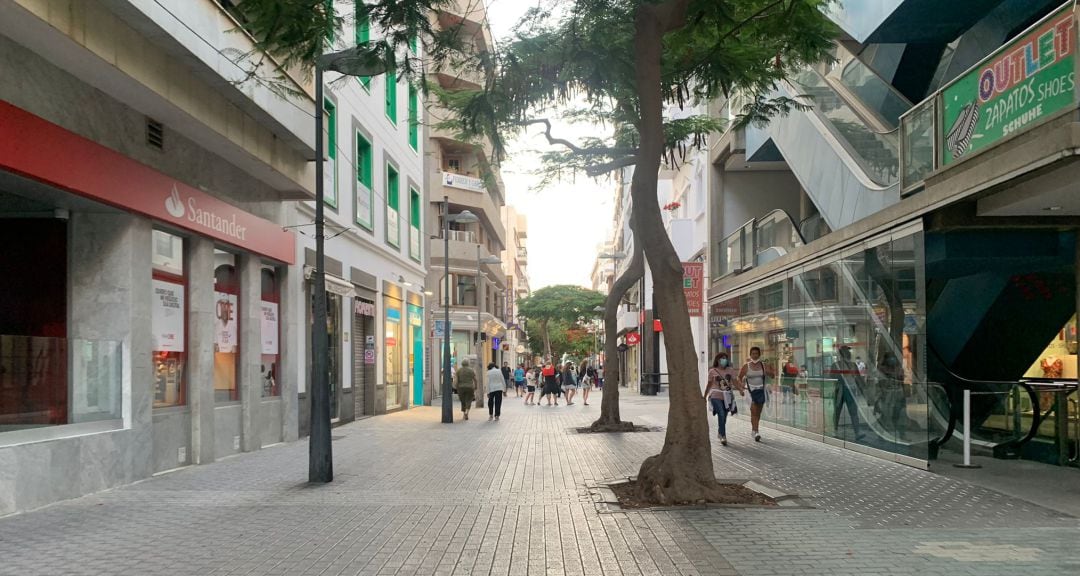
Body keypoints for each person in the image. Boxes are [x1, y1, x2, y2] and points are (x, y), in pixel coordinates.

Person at [704, 352, 742, 445]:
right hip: (715, 395)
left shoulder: (730, 370)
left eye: (725, 358)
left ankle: (720, 432)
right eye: (722, 358)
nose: (724, 360)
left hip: (727, 396)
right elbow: (709, 384)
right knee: (721, 413)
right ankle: (723, 436)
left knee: (724, 416)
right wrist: (705, 395)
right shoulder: (712, 371)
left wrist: (740, 390)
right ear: (717, 360)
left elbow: (735, 382)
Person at [827, 346, 864, 439]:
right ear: (842, 354)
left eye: (848, 351)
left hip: (850, 390)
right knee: (837, 411)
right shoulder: (836, 365)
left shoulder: (853, 365)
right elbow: (832, 378)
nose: (849, 353)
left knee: (853, 411)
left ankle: (857, 432)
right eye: (847, 351)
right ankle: (834, 430)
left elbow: (858, 378)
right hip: (840, 390)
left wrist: (862, 389)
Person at [738, 346, 775, 442]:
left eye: (756, 353)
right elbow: (739, 377)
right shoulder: (746, 366)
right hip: (749, 391)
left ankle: (754, 430)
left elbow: (773, 375)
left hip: (760, 391)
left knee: (758, 412)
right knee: (754, 411)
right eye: (753, 353)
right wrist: (741, 387)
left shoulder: (763, 365)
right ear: (750, 354)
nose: (755, 355)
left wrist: (769, 370)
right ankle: (756, 431)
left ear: (759, 354)